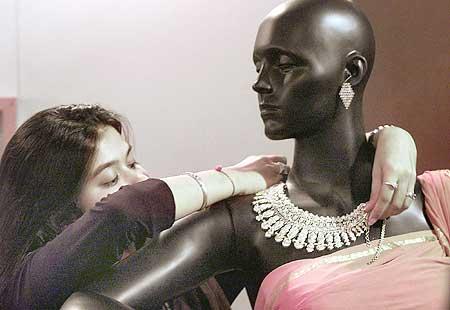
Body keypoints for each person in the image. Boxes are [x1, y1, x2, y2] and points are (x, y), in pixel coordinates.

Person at [62, 1, 449, 309]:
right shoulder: (241, 223)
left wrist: (392, 135)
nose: (260, 84)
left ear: (350, 72)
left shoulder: (436, 200)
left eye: (284, 66)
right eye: (259, 66)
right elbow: (90, 303)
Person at [0, 104, 287, 309]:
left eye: (133, 162)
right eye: (111, 179)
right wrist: (235, 177)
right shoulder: (25, 284)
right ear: (59, 212)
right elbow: (124, 211)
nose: (140, 178)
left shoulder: (161, 262)